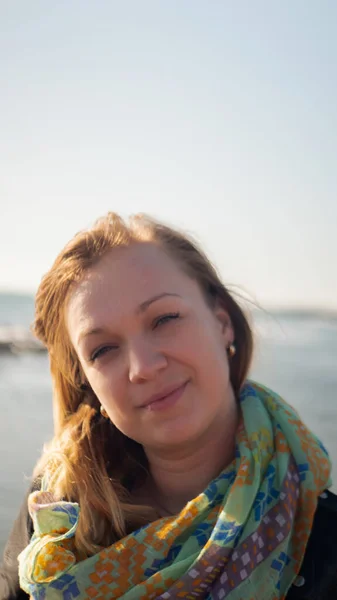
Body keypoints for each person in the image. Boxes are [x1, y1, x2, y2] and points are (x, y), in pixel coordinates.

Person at [1, 212, 337, 600]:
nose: (143, 367)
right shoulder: (55, 519)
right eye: (104, 349)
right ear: (89, 386)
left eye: (165, 319)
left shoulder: (319, 537)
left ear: (222, 322)